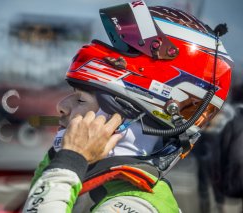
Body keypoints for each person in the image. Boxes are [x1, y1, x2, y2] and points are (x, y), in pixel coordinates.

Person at [22, 1, 233, 212]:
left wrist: (68, 162)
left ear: (127, 120)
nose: (61, 106)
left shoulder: (136, 206)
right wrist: (66, 160)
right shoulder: (99, 184)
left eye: (81, 99)